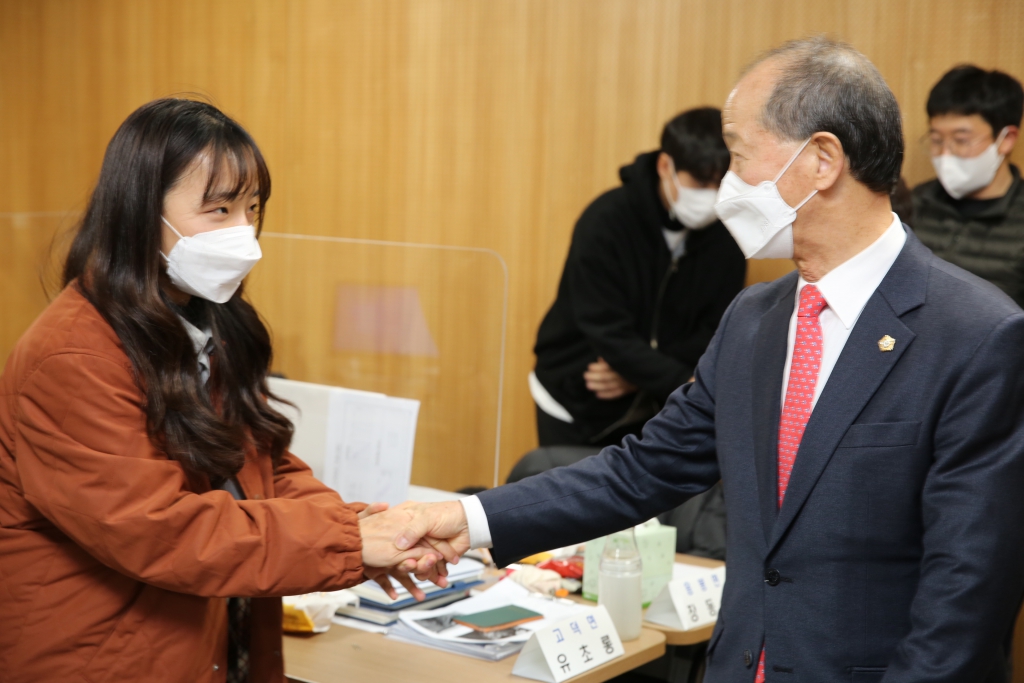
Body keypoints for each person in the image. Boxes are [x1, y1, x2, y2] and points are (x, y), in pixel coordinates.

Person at [396, 38, 1024, 682]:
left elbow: (968, 591)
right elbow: (640, 471)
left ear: (822, 160)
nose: (728, 185)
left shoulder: (976, 334)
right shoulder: (754, 319)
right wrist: (465, 518)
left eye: (739, 156)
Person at [0, 99, 449, 683]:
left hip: (207, 641)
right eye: (219, 209)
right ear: (140, 214)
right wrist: (350, 541)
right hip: (102, 657)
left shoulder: (209, 320)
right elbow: (161, 530)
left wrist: (368, 531)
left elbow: (264, 469)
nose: (244, 233)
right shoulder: (72, 355)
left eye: (251, 208)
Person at [531, 108, 745, 447]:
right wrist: (680, 378)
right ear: (665, 167)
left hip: (654, 403)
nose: (711, 195)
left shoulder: (728, 236)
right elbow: (604, 328)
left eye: (720, 183)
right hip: (577, 394)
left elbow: (715, 330)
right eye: (700, 182)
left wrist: (641, 377)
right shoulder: (607, 221)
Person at [912, 65, 1024, 305]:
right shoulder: (915, 203)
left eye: (961, 140)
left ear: (1006, 139)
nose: (945, 154)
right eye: (936, 140)